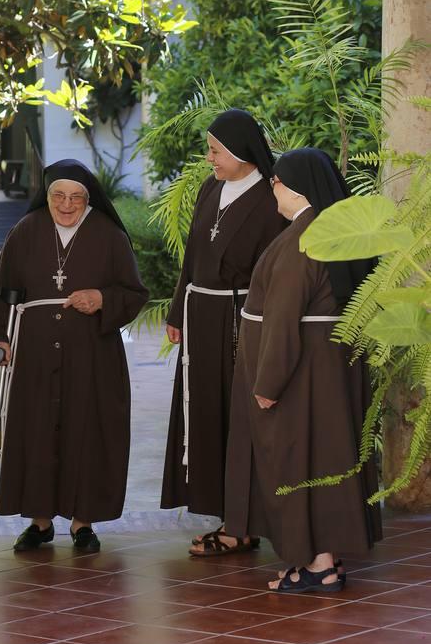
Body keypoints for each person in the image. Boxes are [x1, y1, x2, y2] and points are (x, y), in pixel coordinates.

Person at [224, 147, 382, 593]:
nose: (272, 188)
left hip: (300, 374)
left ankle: (316, 564)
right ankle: (326, 559)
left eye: (275, 181)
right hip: (327, 368)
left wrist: (268, 383)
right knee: (326, 459)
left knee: (297, 462)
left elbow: (283, 316)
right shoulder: (333, 229)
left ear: (295, 187)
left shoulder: (304, 237)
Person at [0, 159, 148, 553]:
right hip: (34, 355)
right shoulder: (26, 230)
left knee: (87, 433)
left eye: (76, 198)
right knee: (37, 433)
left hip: (93, 356)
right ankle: (39, 523)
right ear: (47, 195)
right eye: (58, 196)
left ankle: (82, 522)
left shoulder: (109, 234)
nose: (66, 205)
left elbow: (134, 293)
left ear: (88, 199)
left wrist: (102, 298)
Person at [161, 109, 285, 557]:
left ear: (242, 152)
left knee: (239, 418)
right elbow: (193, 257)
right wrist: (178, 310)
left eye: (216, 151)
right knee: (207, 413)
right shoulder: (210, 188)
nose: (209, 158)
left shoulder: (271, 197)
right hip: (202, 317)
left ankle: (242, 523)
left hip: (242, 318)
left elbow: (276, 270)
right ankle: (225, 514)